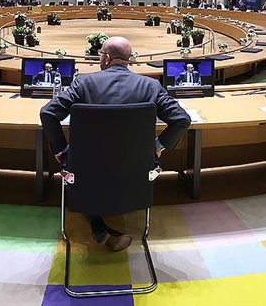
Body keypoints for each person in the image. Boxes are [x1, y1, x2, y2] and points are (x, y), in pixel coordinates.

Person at [40, 36, 191, 251]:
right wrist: (157, 146)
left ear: (107, 58)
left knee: (78, 164)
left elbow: (48, 113)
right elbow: (182, 120)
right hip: (136, 169)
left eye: (101, 54)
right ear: (128, 59)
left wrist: (62, 151)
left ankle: (98, 227)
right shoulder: (151, 86)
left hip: (87, 170)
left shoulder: (83, 83)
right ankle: (107, 227)